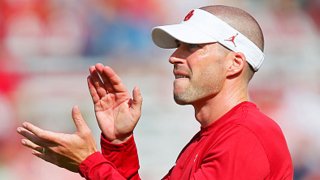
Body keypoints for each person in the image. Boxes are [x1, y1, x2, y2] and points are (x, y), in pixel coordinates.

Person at [17, 5, 293, 180]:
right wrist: (118, 144)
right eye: (178, 46)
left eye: (192, 47)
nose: (174, 57)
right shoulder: (214, 136)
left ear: (234, 63)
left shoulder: (246, 134)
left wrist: (89, 162)